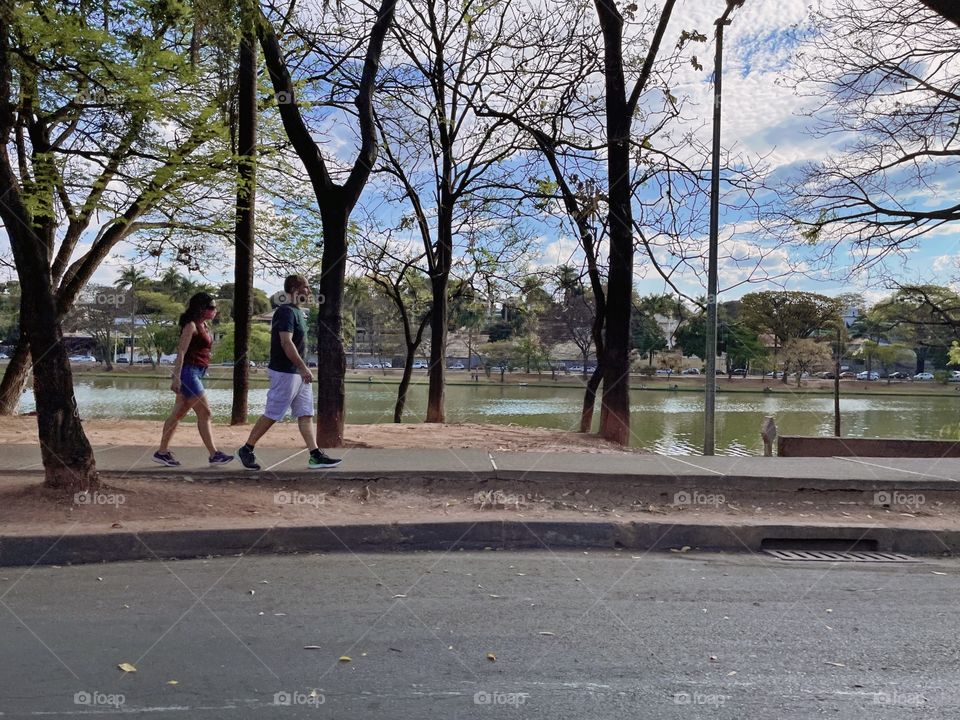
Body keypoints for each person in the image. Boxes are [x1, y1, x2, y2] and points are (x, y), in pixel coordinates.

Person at [238, 275, 341, 470]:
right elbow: (286, 342)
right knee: (273, 413)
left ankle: (315, 455)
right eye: (307, 287)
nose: (309, 291)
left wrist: (302, 369)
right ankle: (247, 449)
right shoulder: (285, 312)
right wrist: (303, 368)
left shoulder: (298, 312)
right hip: (285, 372)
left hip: (298, 372)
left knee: (305, 413)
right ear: (295, 288)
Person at [153, 292, 234, 467]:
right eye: (211, 307)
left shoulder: (204, 325)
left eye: (214, 307)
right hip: (189, 373)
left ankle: (162, 452)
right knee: (205, 413)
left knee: (178, 413)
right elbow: (181, 351)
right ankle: (214, 454)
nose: (215, 310)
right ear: (201, 309)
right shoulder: (191, 325)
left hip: (198, 372)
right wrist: (175, 377)